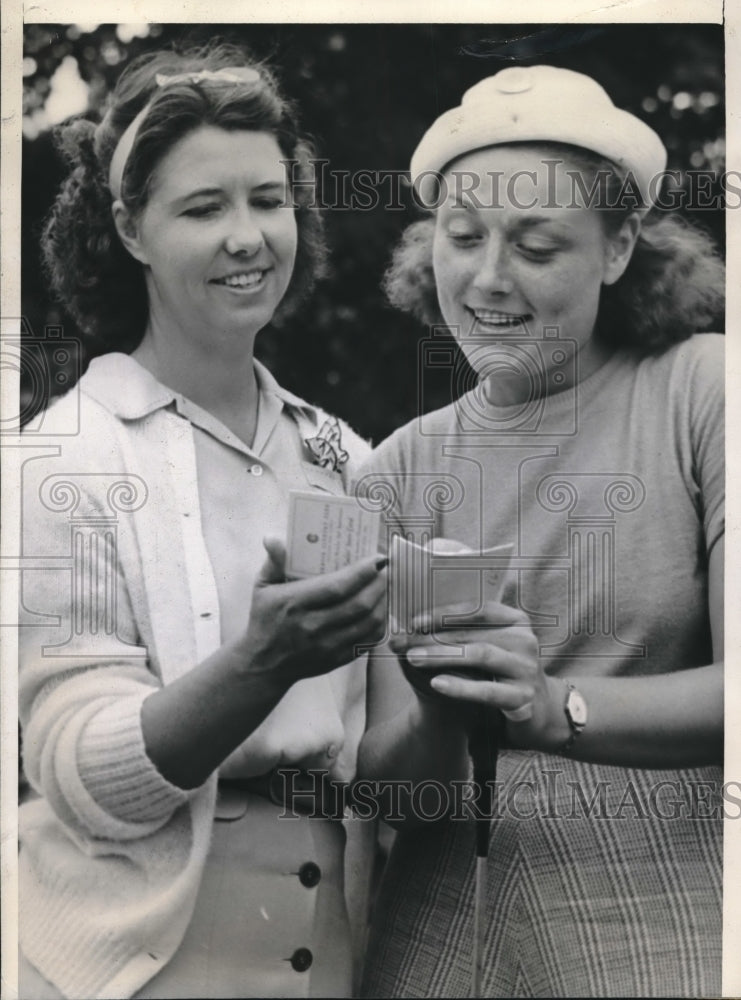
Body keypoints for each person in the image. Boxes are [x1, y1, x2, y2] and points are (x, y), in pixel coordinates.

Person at [18, 43, 387, 1000]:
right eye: (200, 208)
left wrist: (467, 680)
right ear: (129, 228)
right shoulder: (64, 456)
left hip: (329, 949)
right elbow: (84, 782)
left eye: (268, 200)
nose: (247, 237)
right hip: (131, 965)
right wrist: (260, 662)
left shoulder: (346, 454)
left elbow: (385, 760)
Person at [355, 65, 724, 998]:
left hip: (659, 897)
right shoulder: (393, 468)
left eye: (535, 244)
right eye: (463, 237)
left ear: (617, 246)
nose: (487, 279)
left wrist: (550, 706)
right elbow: (387, 791)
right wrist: (439, 707)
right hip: (436, 923)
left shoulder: (700, 389)